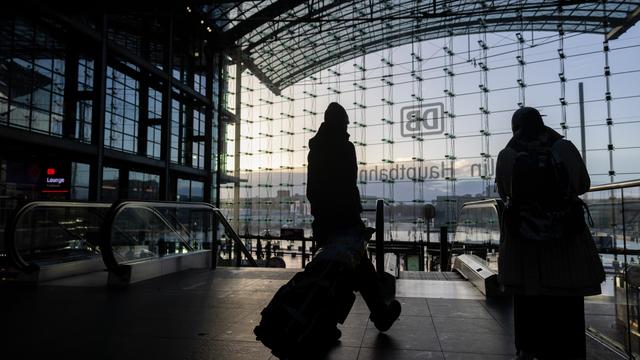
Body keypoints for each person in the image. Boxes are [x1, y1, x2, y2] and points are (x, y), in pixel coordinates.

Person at [495, 107, 605, 359]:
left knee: (527, 298)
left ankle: (528, 348)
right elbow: (582, 185)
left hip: (524, 240)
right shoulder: (563, 149)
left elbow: (504, 192)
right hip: (566, 237)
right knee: (568, 301)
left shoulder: (508, 154)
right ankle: (569, 349)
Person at [307, 102, 401, 332]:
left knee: (334, 271)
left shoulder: (315, 149)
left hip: (324, 222)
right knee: (359, 266)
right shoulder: (345, 147)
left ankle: (325, 323)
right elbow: (349, 183)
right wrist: (353, 217)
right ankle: (379, 313)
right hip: (345, 220)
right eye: (346, 123)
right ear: (341, 123)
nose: (348, 127)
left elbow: (313, 190)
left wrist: (321, 215)